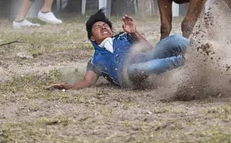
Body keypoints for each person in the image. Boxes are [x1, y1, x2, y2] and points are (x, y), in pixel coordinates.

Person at [49, 9, 189, 89]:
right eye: (98, 27)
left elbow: (149, 49)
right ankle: (185, 61)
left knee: (173, 40)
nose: (104, 27)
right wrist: (66, 87)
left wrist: (134, 32)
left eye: (105, 25)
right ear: (92, 37)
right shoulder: (95, 61)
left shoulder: (123, 37)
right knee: (137, 68)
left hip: (146, 59)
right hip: (128, 75)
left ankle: (201, 49)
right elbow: (88, 81)